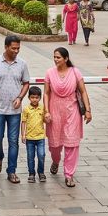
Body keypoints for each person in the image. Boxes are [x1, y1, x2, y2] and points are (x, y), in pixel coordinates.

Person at [0, 35, 30, 184]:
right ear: (6, 47)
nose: (16, 51)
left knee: (13, 141)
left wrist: (20, 98)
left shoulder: (22, 64)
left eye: (18, 48)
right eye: (13, 48)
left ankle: (12, 171)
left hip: (15, 111)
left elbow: (26, 83)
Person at [44, 46, 91, 187]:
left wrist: (88, 110)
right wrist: (46, 111)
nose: (55, 59)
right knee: (55, 146)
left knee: (72, 144)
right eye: (54, 57)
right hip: (55, 112)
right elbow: (46, 93)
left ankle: (69, 174)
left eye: (58, 57)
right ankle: (56, 161)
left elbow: (83, 91)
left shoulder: (75, 72)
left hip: (72, 112)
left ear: (66, 59)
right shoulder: (49, 73)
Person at [21, 85, 46, 183]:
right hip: (29, 138)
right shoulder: (26, 109)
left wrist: (47, 118)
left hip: (40, 137)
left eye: (37, 97)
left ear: (40, 98)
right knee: (30, 157)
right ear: (29, 98)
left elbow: (45, 120)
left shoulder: (42, 108)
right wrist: (23, 135)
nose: (34, 99)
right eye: (32, 97)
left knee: (41, 155)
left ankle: (41, 172)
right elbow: (23, 122)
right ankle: (31, 173)